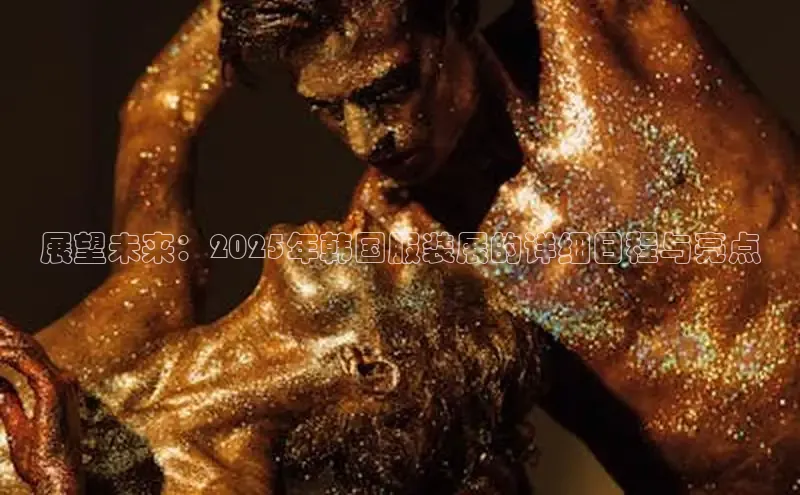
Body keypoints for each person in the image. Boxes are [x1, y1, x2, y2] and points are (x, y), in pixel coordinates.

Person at [219, 0, 800, 493]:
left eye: (388, 88)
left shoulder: (602, 28)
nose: (365, 139)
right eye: (326, 109)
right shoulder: (397, 254)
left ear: (455, 15)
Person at [0, 3, 540, 494]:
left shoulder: (224, 483)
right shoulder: (148, 301)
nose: (360, 215)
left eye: (386, 254)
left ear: (372, 367)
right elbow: (162, 109)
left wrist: (58, 486)